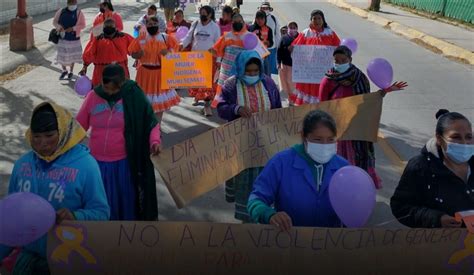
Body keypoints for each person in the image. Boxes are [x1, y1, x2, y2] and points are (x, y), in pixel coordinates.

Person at [0, 102, 110, 273]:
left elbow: (101, 213)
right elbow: (11, 218)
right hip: (28, 256)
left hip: (68, 257)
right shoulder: (22, 165)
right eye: (36, 137)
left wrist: (75, 215)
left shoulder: (86, 165)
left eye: (49, 135)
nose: (42, 143)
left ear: (64, 132)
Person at [76, 64, 161, 221]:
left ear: (121, 85)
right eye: (105, 88)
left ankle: (122, 238)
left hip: (123, 163)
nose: (107, 93)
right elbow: (78, 126)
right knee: (99, 203)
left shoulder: (133, 95)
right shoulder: (93, 96)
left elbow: (151, 122)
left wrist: (154, 141)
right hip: (96, 163)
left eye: (112, 90)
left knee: (125, 203)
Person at [319, 45, 408, 189]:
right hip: (338, 132)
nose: (339, 63)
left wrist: (384, 91)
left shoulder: (360, 78)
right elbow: (322, 107)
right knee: (338, 162)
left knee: (358, 159)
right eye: (336, 60)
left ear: (350, 59)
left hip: (357, 131)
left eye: (343, 60)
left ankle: (359, 186)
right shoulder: (327, 80)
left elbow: (367, 101)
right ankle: (339, 187)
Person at [248, 110, 350, 229]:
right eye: (318, 139)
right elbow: (255, 200)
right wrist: (269, 215)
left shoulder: (343, 167)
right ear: (303, 136)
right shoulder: (280, 163)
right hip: (289, 241)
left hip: (330, 242)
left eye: (330, 140)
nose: (324, 145)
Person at [217, 50, 282, 222]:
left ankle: (265, 214)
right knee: (245, 181)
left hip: (266, 144)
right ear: (240, 69)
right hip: (242, 145)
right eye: (248, 71)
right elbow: (221, 108)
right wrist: (236, 109)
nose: (252, 74)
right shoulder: (231, 85)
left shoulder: (268, 83)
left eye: (255, 71)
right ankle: (247, 216)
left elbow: (277, 110)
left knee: (265, 179)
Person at [391, 110, 473, 228]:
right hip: (440, 242)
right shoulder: (421, 167)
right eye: (456, 137)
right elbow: (401, 207)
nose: (464, 143)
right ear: (439, 139)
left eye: (468, 137)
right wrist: (437, 219)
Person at [128, 16, 180, 122]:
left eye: (154, 24)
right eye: (149, 24)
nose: (152, 26)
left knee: (159, 103)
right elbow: (132, 53)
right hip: (144, 74)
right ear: (146, 25)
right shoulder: (141, 38)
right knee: (144, 102)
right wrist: (138, 54)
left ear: (158, 25)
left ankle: (157, 126)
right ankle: (147, 126)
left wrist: (168, 53)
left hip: (159, 73)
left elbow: (176, 52)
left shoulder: (165, 38)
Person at [289, 10, 340, 105]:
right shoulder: (305, 33)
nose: (317, 21)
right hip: (308, 73)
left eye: (319, 18)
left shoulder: (330, 33)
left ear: (323, 20)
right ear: (311, 20)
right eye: (314, 18)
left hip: (324, 71)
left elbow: (338, 48)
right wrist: (292, 48)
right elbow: (296, 47)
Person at [181, 6, 221, 116]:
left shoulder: (214, 27)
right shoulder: (195, 24)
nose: (202, 15)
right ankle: (197, 97)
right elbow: (188, 37)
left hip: (209, 59)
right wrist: (181, 45)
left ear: (209, 15)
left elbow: (218, 44)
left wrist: (218, 59)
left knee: (207, 83)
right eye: (201, 13)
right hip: (195, 58)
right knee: (196, 81)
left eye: (204, 13)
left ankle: (207, 106)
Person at [210, 13, 249, 108]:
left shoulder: (249, 37)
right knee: (225, 99)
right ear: (232, 23)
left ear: (243, 23)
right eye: (235, 22)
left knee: (240, 96)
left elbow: (259, 53)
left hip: (241, 71)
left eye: (240, 22)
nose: (237, 23)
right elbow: (216, 51)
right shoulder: (226, 36)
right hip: (226, 71)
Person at [80, 18, 133, 87]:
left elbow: (135, 48)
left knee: (121, 93)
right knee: (101, 95)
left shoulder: (124, 37)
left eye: (111, 26)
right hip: (102, 71)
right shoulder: (98, 39)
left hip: (119, 71)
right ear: (103, 28)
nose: (109, 28)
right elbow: (89, 53)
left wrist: (139, 58)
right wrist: (85, 66)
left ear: (115, 27)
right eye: (107, 26)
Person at [52, 0, 86, 80]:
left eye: (74, 3)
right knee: (62, 55)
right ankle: (64, 70)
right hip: (63, 38)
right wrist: (59, 27)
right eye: (71, 3)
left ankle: (71, 71)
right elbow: (54, 22)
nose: (73, 5)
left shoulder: (79, 13)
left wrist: (73, 28)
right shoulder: (61, 11)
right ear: (67, 3)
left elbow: (83, 25)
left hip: (74, 39)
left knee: (72, 56)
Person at [277, 21, 298, 105]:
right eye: (291, 27)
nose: (292, 29)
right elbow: (279, 51)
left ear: (297, 28)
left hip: (297, 67)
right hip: (286, 66)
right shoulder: (284, 38)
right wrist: (278, 63)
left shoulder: (300, 37)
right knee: (288, 84)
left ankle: (297, 100)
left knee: (296, 86)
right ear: (288, 28)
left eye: (294, 27)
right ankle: (290, 101)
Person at [248, 11, 273, 76]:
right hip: (253, 55)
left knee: (266, 75)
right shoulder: (250, 28)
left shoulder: (269, 29)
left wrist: (268, 43)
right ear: (255, 19)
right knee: (253, 74)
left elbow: (271, 42)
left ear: (265, 19)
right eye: (258, 19)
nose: (260, 21)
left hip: (264, 55)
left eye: (262, 19)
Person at [258, 1, 280, 75]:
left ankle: (268, 83)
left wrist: (278, 46)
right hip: (260, 48)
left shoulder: (274, 19)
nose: (265, 10)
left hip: (271, 48)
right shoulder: (257, 18)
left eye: (266, 8)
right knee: (260, 68)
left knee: (269, 68)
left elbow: (277, 33)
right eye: (263, 8)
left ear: (269, 9)